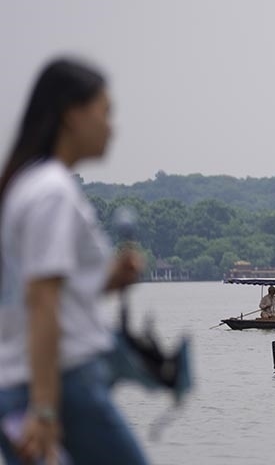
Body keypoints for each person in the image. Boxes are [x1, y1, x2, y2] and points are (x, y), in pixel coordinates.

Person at [0, 57, 148, 464]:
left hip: (21, 381)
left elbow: (47, 292)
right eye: (105, 112)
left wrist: (107, 278)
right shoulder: (52, 192)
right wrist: (45, 410)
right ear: (71, 114)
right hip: (62, 384)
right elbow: (42, 300)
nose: (111, 127)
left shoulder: (25, 186)